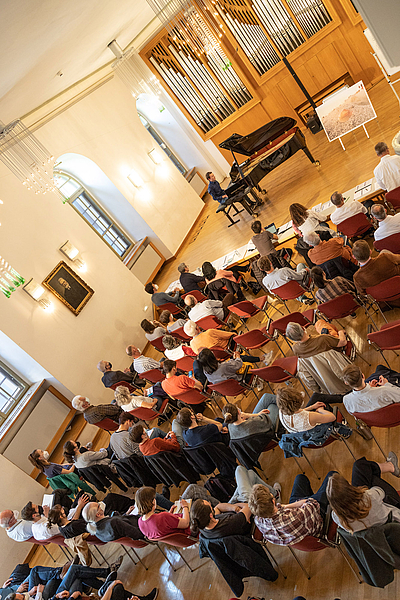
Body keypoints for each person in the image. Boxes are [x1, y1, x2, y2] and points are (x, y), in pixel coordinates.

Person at [248, 469, 336, 545]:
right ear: (273, 501)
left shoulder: (258, 521)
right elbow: (313, 504)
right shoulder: (296, 516)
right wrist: (296, 504)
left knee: (300, 478)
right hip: (316, 520)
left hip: (297, 528)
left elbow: (282, 508)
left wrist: (286, 506)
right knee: (332, 475)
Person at [190, 466, 280, 538]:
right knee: (240, 470)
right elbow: (248, 506)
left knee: (250, 475)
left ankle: (274, 494)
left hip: (239, 506)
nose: (210, 503)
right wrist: (236, 507)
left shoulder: (205, 526)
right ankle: (273, 496)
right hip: (250, 506)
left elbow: (218, 507)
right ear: (210, 515)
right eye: (209, 505)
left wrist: (235, 508)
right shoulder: (230, 522)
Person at [327, 456, 400, 534]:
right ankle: (390, 466)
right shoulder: (369, 497)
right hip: (393, 521)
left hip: (376, 535)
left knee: (362, 469)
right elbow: (380, 491)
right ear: (348, 486)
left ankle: (390, 466)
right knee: (366, 472)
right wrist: (362, 490)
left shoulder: (336, 517)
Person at [285, 321, 351, 394]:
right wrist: (341, 332)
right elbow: (343, 342)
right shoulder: (322, 339)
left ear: (292, 339)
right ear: (303, 328)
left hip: (327, 384)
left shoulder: (296, 349)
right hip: (342, 372)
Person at [352, 239, 400, 304]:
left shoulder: (357, 277)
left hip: (383, 298)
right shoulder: (385, 257)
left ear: (354, 257)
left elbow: (364, 294)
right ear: (370, 251)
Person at [197, 347, 271, 385]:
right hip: (242, 380)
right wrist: (237, 357)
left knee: (234, 360)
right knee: (241, 358)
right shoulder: (223, 367)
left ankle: (258, 383)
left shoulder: (206, 372)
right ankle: (263, 359)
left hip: (231, 388)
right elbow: (238, 364)